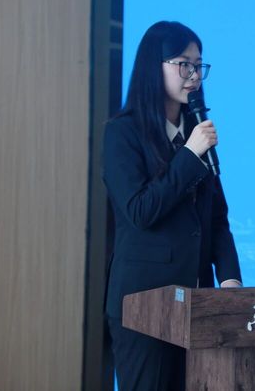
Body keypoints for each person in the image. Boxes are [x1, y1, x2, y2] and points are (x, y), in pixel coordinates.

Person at [103, 21, 243, 391]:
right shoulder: (122, 133)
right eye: (184, 64)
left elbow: (216, 219)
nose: (194, 75)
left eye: (198, 65)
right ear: (155, 66)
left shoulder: (196, 132)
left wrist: (230, 280)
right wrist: (189, 154)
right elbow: (140, 211)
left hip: (198, 307)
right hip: (143, 305)